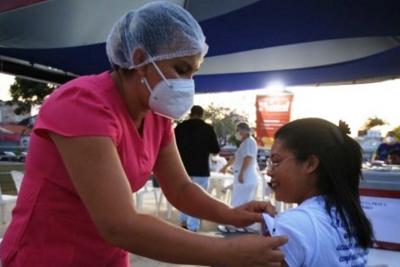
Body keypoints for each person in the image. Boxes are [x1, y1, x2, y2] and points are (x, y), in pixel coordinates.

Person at [0, 2, 287, 266]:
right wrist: (227, 253)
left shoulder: (156, 118)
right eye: (181, 69)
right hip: (44, 256)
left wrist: (233, 215)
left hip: (106, 257)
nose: (188, 83)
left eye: (193, 72)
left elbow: (181, 189)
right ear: (139, 59)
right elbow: (119, 224)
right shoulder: (81, 103)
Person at [262, 118, 373, 266]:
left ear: (310, 163)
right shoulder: (350, 214)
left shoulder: (294, 224)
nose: (269, 172)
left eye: (276, 161)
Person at [174, 105, 220, 232]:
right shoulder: (208, 129)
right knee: (198, 198)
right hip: (201, 169)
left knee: (183, 196)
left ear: (190, 114)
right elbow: (215, 149)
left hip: (182, 168)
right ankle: (192, 226)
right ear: (202, 115)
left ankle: (183, 221)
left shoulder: (180, 127)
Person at [221, 122, 260, 207]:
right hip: (243, 176)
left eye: (238, 130)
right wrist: (225, 167)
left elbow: (248, 158)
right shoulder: (244, 143)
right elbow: (235, 157)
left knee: (239, 205)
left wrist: (242, 173)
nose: (237, 133)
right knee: (239, 203)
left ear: (244, 131)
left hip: (246, 177)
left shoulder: (249, 142)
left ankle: (239, 220)